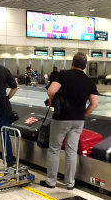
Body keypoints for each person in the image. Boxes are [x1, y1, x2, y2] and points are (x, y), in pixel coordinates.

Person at [40, 52, 99, 190]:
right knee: (71, 151)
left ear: (72, 63)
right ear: (85, 66)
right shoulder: (89, 81)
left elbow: (51, 90)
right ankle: (70, 183)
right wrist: (83, 114)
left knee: (54, 149)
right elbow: (94, 103)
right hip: (78, 120)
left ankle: (51, 181)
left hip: (62, 118)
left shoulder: (63, 75)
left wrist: (54, 100)